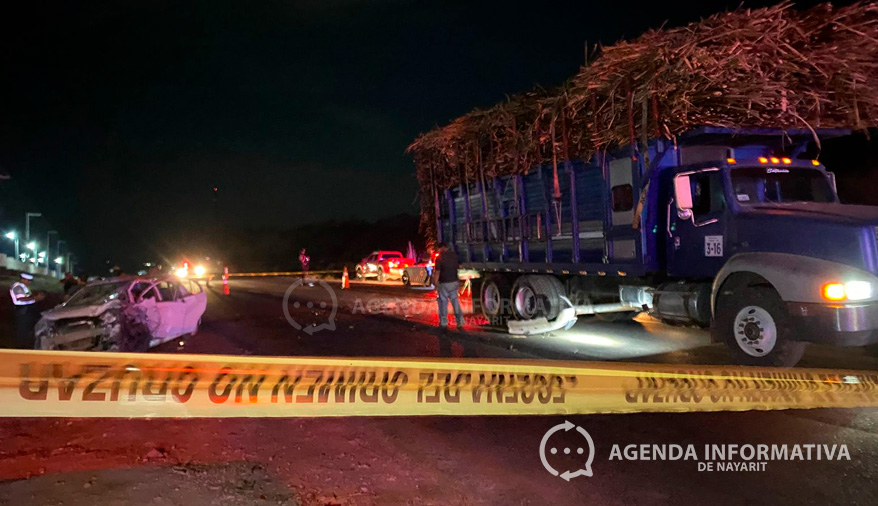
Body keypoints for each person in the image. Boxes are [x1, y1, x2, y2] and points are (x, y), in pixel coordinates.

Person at [431, 243, 464, 331]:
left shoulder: (439, 258)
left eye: (438, 248)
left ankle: (444, 323)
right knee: (455, 301)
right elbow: (460, 266)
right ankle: (460, 322)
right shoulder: (454, 255)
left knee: (443, 303)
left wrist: (435, 282)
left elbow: (437, 272)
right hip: (454, 282)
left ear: (441, 248)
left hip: (444, 283)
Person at [10, 272, 45, 349]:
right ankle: (22, 346)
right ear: (23, 279)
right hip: (22, 310)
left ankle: (26, 345)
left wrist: (36, 298)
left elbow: (29, 299)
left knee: (28, 329)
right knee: (23, 329)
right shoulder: (17, 287)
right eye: (27, 280)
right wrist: (36, 298)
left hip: (27, 309)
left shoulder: (24, 287)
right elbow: (22, 299)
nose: (29, 282)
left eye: (30, 281)